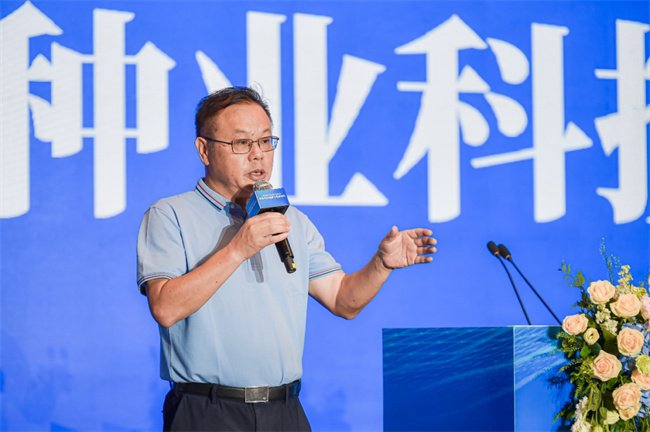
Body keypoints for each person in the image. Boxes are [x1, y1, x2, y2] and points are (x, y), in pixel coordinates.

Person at [136, 86, 437, 431]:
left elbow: (343, 300)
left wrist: (380, 265)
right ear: (204, 149)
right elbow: (165, 308)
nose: (258, 155)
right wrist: (238, 248)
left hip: (284, 410)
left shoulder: (291, 219)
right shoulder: (170, 215)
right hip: (207, 411)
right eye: (241, 143)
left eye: (266, 141)